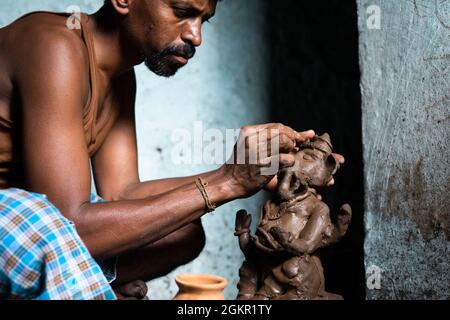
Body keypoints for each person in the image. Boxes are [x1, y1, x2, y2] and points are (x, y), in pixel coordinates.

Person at [0, 0, 343, 299]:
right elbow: (66, 226)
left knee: (183, 232)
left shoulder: (120, 77)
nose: (196, 36)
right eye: (182, 12)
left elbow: (123, 192)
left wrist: (247, 174)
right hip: (23, 220)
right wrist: (227, 182)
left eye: (202, 20)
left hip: (36, 233)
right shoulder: (55, 46)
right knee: (37, 214)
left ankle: (89, 287)